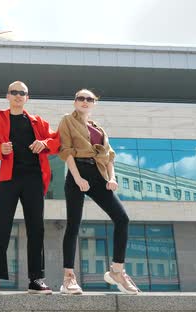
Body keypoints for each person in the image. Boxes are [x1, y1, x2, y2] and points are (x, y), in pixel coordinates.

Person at [0, 81, 59, 295]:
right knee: (2, 226)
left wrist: (44, 143)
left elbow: (57, 140)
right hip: (9, 178)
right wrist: (1, 149)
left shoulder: (38, 122)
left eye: (21, 93)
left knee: (36, 228)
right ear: (8, 96)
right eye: (14, 92)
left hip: (33, 179)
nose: (17, 96)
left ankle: (36, 279)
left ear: (27, 98)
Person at [57, 89, 140, 295]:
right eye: (81, 98)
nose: (85, 101)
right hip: (78, 172)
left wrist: (112, 178)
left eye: (89, 99)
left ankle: (117, 271)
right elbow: (65, 150)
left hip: (99, 175)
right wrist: (77, 178)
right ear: (75, 101)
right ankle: (68, 278)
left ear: (95, 103)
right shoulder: (67, 120)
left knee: (122, 218)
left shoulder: (99, 129)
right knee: (73, 225)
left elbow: (109, 157)